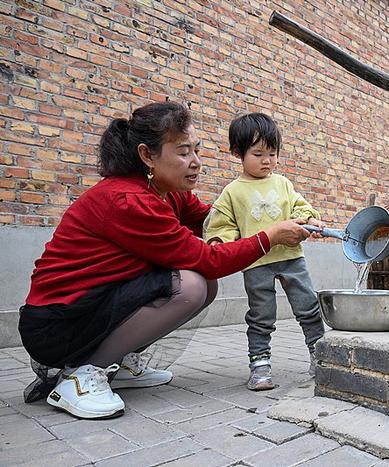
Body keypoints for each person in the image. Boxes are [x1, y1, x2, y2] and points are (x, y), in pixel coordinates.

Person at [18, 102, 310, 419]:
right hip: (59, 322)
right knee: (192, 285)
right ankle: (80, 376)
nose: (196, 163)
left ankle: (120, 361)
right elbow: (209, 260)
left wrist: (265, 205)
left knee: (200, 285)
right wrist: (270, 236)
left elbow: (214, 219)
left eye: (197, 150)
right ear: (147, 155)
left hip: (100, 301)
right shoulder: (129, 200)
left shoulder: (166, 190)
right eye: (184, 152)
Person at [204, 112, 326, 391]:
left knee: (308, 307)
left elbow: (300, 206)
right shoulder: (232, 192)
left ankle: (320, 356)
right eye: (258, 154)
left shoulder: (282, 183)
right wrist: (218, 242)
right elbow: (222, 223)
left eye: (272, 154)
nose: (267, 161)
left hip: (291, 258)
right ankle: (260, 364)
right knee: (261, 315)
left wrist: (310, 219)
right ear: (238, 153)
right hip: (256, 263)